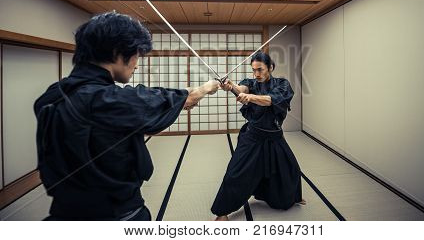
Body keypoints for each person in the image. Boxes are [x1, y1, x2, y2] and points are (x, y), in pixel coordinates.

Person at [34, 12, 219, 220]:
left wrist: (184, 99)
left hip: (64, 212)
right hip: (115, 214)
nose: (137, 64)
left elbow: (144, 112)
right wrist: (206, 88)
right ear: (117, 53)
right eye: (136, 56)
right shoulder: (108, 99)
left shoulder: (52, 95)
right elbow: (183, 98)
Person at [211, 51, 306, 221]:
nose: (256, 74)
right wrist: (231, 86)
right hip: (253, 136)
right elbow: (242, 89)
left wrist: (250, 97)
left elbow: (270, 100)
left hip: (275, 137)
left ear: (270, 67)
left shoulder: (282, 84)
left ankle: (292, 198)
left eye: (260, 70)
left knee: (290, 169)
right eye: (254, 70)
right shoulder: (251, 83)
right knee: (236, 172)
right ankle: (222, 211)